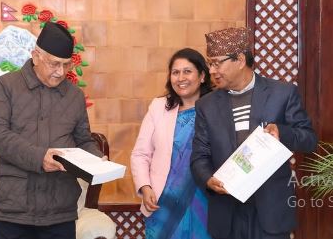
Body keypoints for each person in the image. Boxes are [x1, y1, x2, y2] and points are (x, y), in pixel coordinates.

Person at [191, 27, 317, 239]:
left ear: (240, 60)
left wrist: (282, 132)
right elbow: (199, 155)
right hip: (227, 213)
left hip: (270, 213)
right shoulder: (206, 105)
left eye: (216, 63)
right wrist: (208, 179)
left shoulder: (282, 93)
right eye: (209, 63)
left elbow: (309, 140)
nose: (211, 70)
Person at [0, 22, 102, 239]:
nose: (61, 72)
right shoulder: (7, 86)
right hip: (15, 208)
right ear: (36, 56)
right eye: (54, 64)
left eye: (66, 65)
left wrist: (97, 158)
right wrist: (40, 157)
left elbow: (83, 140)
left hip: (60, 209)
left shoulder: (75, 96)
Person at [131, 48, 213, 239]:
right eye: (175, 72)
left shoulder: (216, 108)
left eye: (187, 71)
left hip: (204, 201)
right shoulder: (158, 107)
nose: (180, 78)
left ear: (202, 76)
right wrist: (145, 187)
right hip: (163, 202)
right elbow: (140, 154)